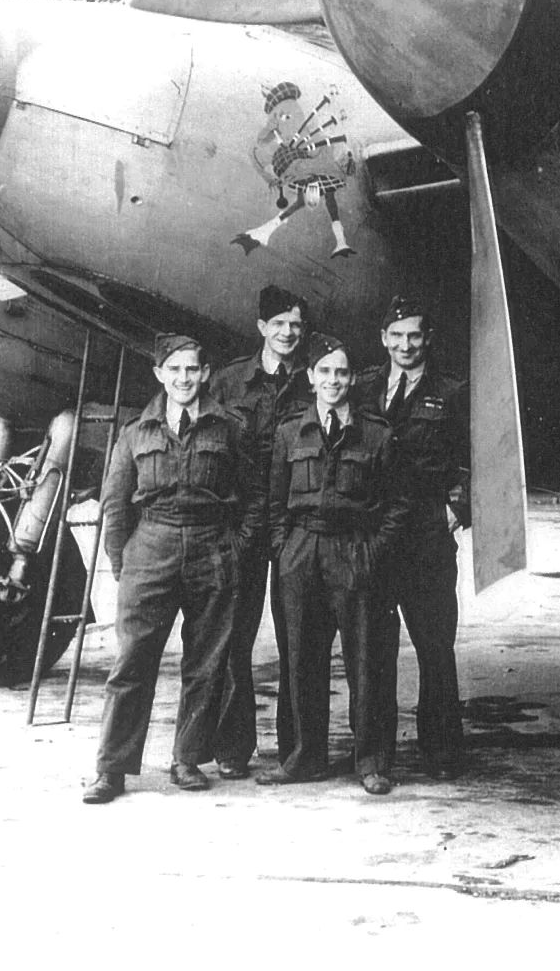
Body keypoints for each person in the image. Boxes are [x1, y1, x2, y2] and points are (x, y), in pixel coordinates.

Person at [82, 334, 260, 804]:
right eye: (174, 370)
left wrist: (236, 547)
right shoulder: (136, 433)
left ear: (205, 374)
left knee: (205, 662)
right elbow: (116, 504)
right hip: (152, 546)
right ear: (160, 374)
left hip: (211, 546)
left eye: (192, 370)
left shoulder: (229, 428)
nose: (183, 378)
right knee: (132, 660)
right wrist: (124, 562)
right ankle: (112, 768)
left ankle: (187, 759)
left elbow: (254, 497)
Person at [257, 333, 409, 794]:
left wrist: (373, 550)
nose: (333, 381)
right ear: (310, 377)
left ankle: (372, 762)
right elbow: (275, 501)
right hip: (303, 553)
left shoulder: (377, 434)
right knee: (300, 658)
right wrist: (285, 549)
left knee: (368, 659)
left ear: (352, 379)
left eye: (341, 372)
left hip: (355, 550)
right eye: (324, 371)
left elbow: (397, 503)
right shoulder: (290, 432)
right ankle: (304, 757)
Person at [357, 296, 470, 777]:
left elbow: (475, 455)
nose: (406, 345)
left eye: (415, 336)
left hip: (426, 531)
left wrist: (456, 508)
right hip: (379, 531)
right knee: (376, 649)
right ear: (384, 339)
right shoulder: (362, 387)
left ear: (428, 340)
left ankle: (441, 750)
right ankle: (376, 754)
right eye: (396, 336)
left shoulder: (452, 391)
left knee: (435, 646)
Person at [205, 285, 313, 779]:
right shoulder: (228, 383)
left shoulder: (316, 380)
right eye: (279, 324)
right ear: (261, 328)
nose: (288, 333)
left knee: (299, 639)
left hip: (293, 527)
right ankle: (232, 747)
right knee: (234, 638)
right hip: (244, 527)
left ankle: (298, 751)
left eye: (295, 325)